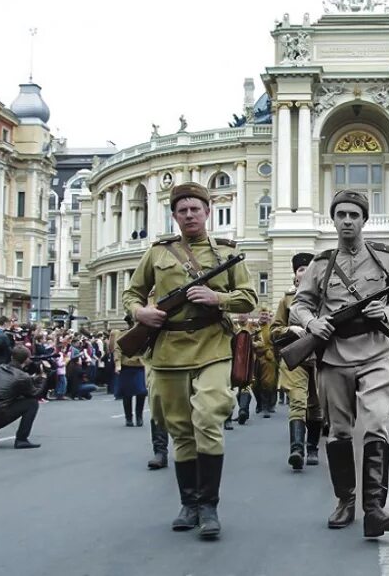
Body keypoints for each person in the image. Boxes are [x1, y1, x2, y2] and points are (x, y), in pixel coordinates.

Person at [123, 181, 257, 540]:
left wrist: (218, 299)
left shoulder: (226, 252)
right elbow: (132, 292)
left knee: (210, 416)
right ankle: (190, 503)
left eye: (195, 209)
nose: (189, 215)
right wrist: (141, 312)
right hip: (168, 347)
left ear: (207, 212)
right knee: (180, 428)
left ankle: (210, 506)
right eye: (182, 210)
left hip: (213, 344)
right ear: (174, 215)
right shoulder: (157, 253)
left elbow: (248, 297)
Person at [289, 190, 389, 538]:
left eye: (353, 215)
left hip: (375, 351)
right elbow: (301, 304)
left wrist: (385, 311)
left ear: (364, 220)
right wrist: (312, 323)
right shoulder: (321, 263)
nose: (346, 221)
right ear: (333, 219)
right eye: (340, 214)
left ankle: (374, 509)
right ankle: (345, 500)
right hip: (335, 354)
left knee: (375, 423)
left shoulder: (386, 258)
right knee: (339, 432)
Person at [271, 252, 324, 470]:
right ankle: (296, 449)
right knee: (298, 403)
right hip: (296, 359)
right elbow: (273, 332)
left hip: (321, 358)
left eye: (309, 269)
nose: (305, 273)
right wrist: (289, 329)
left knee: (317, 406)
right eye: (301, 269)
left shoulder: (326, 298)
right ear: (295, 274)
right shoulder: (287, 299)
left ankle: (312, 448)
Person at [0, 345, 46, 448]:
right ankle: (22, 439)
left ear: (12, 357)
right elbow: (35, 393)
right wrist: (43, 377)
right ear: (27, 360)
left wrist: (33, 378)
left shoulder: (0, 368)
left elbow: (12, 384)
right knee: (32, 403)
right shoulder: (22, 377)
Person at [111, 319, 147, 427]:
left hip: (140, 366)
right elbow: (117, 350)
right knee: (127, 394)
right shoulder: (122, 334)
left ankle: (139, 416)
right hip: (127, 366)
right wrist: (118, 364)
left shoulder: (143, 334)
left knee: (142, 392)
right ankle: (128, 418)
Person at [252, 307, 277, 419]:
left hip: (268, 359)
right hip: (255, 358)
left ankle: (267, 406)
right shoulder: (254, 327)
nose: (264, 316)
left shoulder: (272, 327)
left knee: (268, 382)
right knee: (254, 384)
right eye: (262, 314)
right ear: (259, 315)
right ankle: (259, 404)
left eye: (266, 314)